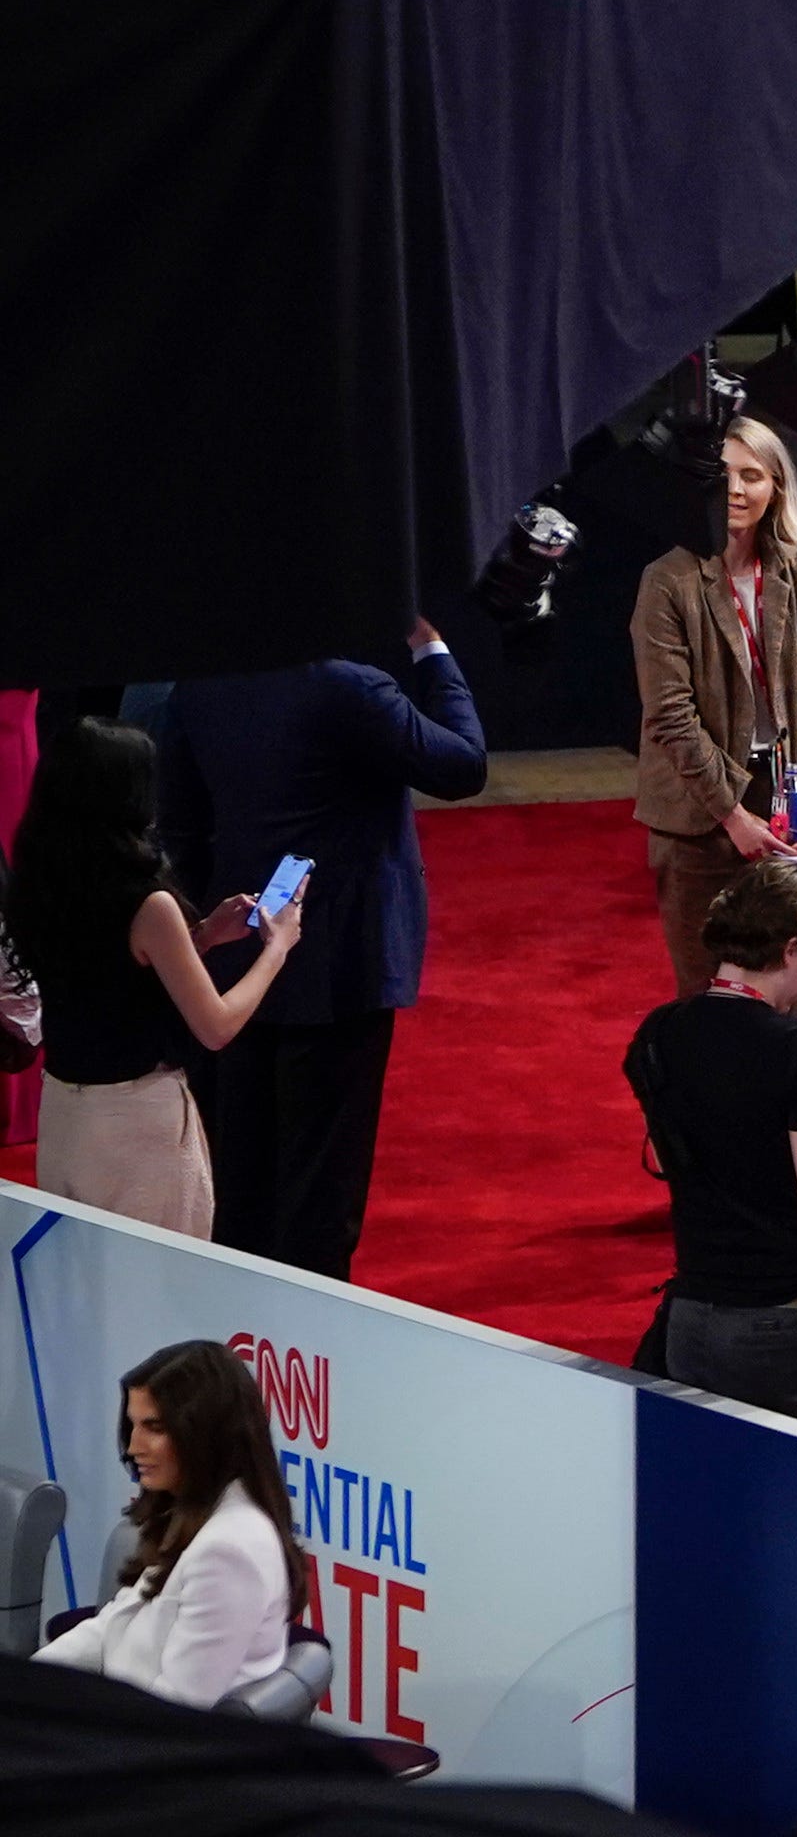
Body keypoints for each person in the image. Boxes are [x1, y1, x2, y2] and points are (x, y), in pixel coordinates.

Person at [155, 626, 487, 1279]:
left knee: (241, 1189)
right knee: (319, 1201)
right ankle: (303, 1363)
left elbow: (183, 832)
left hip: (232, 965)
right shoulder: (349, 687)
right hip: (340, 975)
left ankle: (238, 1356)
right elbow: (464, 765)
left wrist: (209, 946)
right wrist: (434, 651)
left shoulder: (197, 687)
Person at [624, 864, 797, 1439]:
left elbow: (705, 1140)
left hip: (689, 1318)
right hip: (782, 1323)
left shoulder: (659, 1033)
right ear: (792, 948)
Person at [6, 720, 306, 1237]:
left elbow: (101, 970)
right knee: (157, 1295)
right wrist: (277, 948)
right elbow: (216, 1027)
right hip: (137, 1126)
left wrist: (203, 937)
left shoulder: (36, 878)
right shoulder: (148, 904)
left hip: (64, 1115)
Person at [627, 418, 797, 1067]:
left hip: (788, 799)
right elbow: (670, 715)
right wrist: (731, 815)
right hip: (698, 812)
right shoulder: (668, 579)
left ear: (778, 486)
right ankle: (722, 1155)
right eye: (726, 475)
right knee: (709, 997)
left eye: (754, 474)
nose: (739, 489)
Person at [31, 1341, 307, 1707]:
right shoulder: (194, 1512)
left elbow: (174, 1712)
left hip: (146, 1751)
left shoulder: (229, 1550)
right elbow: (108, 1629)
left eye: (154, 1428)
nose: (133, 1447)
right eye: (133, 1426)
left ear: (204, 1433)